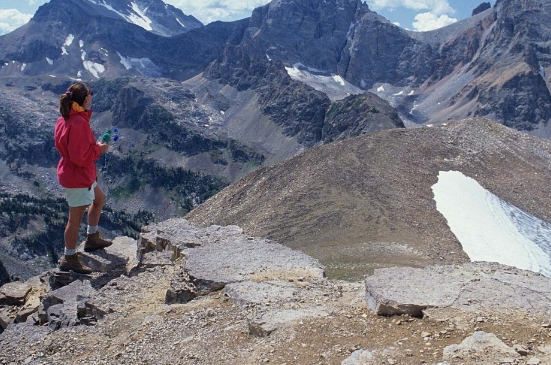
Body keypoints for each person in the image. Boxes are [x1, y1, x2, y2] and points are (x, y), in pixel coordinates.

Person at [54, 82, 112, 274]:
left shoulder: (66, 118)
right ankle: (69, 257)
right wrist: (98, 149)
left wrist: (92, 146)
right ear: (85, 98)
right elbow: (80, 158)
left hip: (78, 174)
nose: (92, 97)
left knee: (99, 198)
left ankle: (92, 237)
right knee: (74, 219)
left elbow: (74, 150)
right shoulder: (79, 123)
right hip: (78, 176)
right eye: (90, 94)